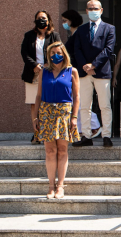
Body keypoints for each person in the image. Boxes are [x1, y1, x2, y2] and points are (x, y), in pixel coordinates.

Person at [33, 41, 79, 199]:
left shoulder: (71, 71)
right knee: (50, 150)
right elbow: (38, 95)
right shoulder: (43, 72)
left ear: (64, 53)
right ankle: (51, 186)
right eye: (52, 53)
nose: (55, 56)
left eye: (58, 52)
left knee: (62, 149)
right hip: (46, 111)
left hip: (64, 111)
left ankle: (61, 186)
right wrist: (35, 116)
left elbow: (77, 96)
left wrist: (74, 117)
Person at [72, 0, 116, 147]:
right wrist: (85, 65)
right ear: (86, 11)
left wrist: (94, 65)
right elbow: (76, 49)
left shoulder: (109, 28)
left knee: (105, 105)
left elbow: (109, 50)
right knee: (84, 105)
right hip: (84, 73)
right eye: (90, 8)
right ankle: (86, 135)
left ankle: (106, 136)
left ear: (101, 10)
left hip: (102, 72)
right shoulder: (81, 30)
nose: (93, 11)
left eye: (95, 8)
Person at [22, 11, 61, 145]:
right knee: (35, 104)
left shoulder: (54, 35)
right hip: (33, 74)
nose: (41, 20)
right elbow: (24, 53)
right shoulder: (29, 36)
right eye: (39, 18)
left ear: (49, 20)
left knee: (49, 103)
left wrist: (49, 64)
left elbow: (59, 52)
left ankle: (49, 132)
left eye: (44, 18)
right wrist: (34, 65)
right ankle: (36, 133)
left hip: (50, 73)